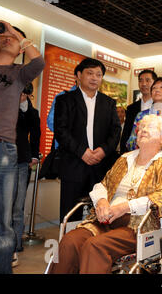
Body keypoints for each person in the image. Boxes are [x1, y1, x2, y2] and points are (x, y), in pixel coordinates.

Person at [50, 114, 162, 274]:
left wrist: (125, 207)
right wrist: (102, 202)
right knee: (69, 241)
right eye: (142, 127)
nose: (143, 130)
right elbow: (102, 185)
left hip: (137, 226)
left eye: (151, 127)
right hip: (105, 219)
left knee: (95, 246)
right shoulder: (125, 158)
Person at [0, 20, 45, 273]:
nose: (8, 38)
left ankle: (1, 269)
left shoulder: (20, 73)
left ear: (20, 50)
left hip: (4, 150)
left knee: (4, 219)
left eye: (13, 39)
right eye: (4, 37)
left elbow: (39, 62)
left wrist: (15, 33)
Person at [54, 58, 121, 222]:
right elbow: (61, 130)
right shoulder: (65, 99)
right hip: (74, 164)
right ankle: (69, 244)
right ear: (78, 75)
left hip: (101, 166)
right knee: (70, 212)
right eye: (89, 73)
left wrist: (104, 150)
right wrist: (82, 152)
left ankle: (93, 245)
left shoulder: (109, 103)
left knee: (101, 212)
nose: (94, 78)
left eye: (98, 75)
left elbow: (115, 130)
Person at [12, 82, 41, 266]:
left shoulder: (31, 112)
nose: (21, 95)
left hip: (22, 160)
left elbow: (35, 134)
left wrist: (33, 155)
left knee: (17, 205)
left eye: (25, 93)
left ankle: (14, 245)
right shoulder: (5, 104)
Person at [127, 77, 162, 165]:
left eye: (161, 87)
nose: (157, 90)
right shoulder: (142, 115)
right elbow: (131, 141)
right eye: (154, 88)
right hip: (143, 163)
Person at [120, 69, 157, 153]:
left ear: (154, 83)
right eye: (141, 81)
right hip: (133, 153)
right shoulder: (131, 108)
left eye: (147, 80)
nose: (144, 84)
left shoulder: (161, 107)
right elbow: (126, 134)